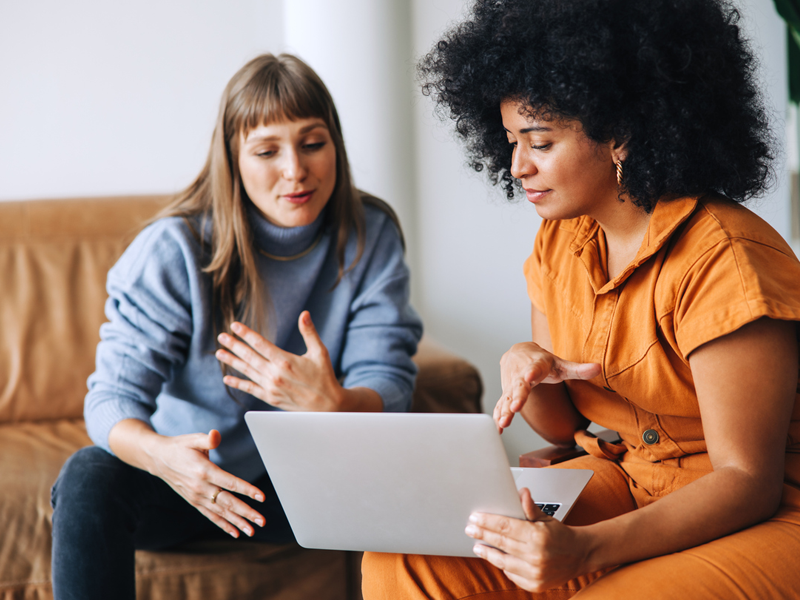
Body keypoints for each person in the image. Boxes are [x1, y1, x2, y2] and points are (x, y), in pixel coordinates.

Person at [362, 0, 800, 598]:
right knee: (405, 559)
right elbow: (565, 423)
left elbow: (748, 480)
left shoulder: (725, 258)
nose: (517, 166)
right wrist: (527, 366)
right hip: (626, 475)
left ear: (619, 132)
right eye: (511, 140)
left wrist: (586, 549)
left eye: (539, 142)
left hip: (763, 512)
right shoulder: (558, 240)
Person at [50, 53, 422, 599]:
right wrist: (168, 460)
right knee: (87, 476)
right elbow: (110, 401)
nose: (295, 170)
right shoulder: (174, 249)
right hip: (186, 479)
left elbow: (391, 382)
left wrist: (334, 402)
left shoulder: (370, 233)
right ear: (233, 158)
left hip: (302, 483)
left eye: (313, 143)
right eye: (267, 151)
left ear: (335, 145)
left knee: (429, 478)